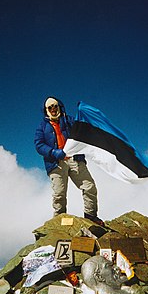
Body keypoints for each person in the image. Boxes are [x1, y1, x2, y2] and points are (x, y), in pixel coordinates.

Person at [34, 96, 104, 225]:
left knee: (89, 187)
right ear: (46, 110)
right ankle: (60, 222)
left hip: (75, 159)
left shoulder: (68, 120)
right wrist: (54, 152)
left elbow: (82, 127)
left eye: (55, 106)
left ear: (59, 107)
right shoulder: (42, 126)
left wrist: (82, 111)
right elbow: (39, 145)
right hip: (56, 163)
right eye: (50, 107)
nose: (53, 109)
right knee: (59, 194)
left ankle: (91, 216)